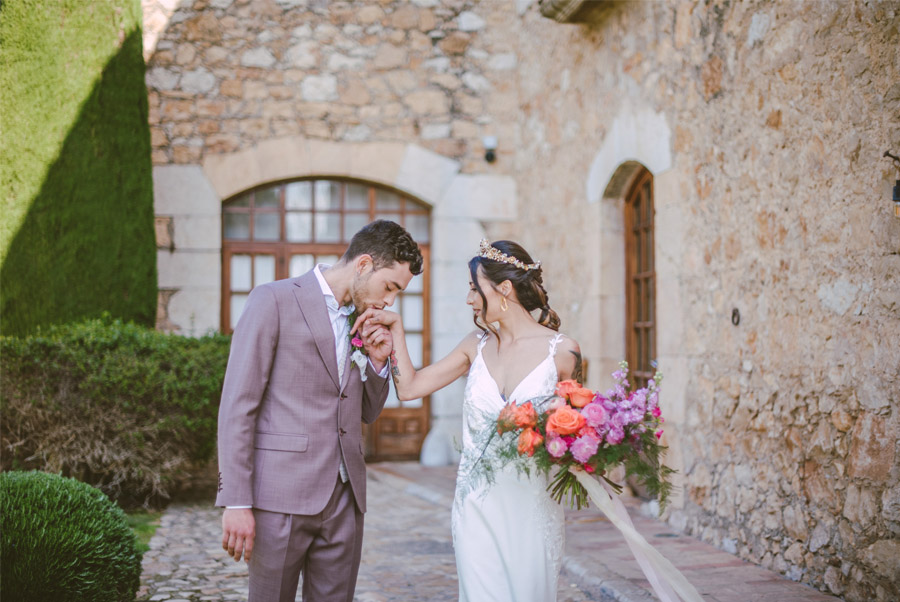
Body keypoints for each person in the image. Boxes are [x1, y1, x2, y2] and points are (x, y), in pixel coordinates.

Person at [353, 239, 582, 601]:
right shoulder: (473, 346)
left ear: (504, 289)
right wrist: (396, 332)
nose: (469, 299)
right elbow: (410, 388)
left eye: (475, 288)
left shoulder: (563, 352)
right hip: (477, 506)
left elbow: (579, 432)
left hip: (532, 509)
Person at [215, 220, 423, 602]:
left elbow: (366, 413)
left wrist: (378, 363)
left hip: (345, 500)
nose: (390, 300)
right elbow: (238, 405)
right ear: (363, 265)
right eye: (390, 286)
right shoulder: (273, 300)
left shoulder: (364, 321)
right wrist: (237, 501)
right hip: (280, 498)